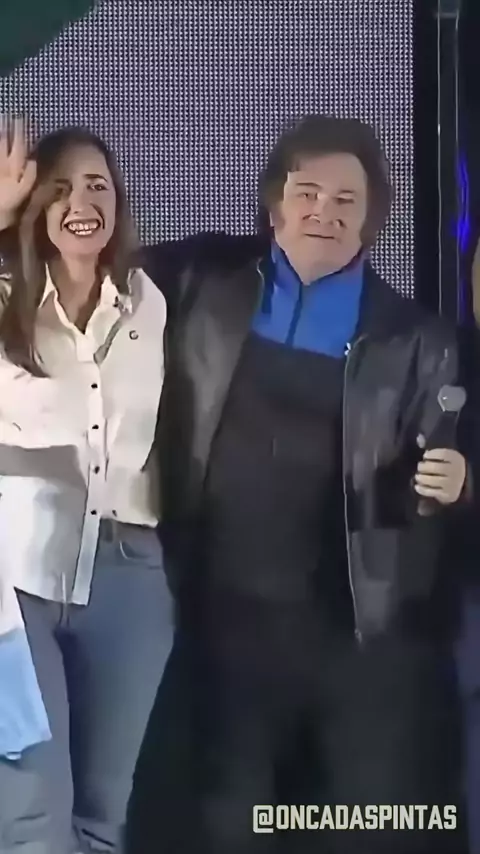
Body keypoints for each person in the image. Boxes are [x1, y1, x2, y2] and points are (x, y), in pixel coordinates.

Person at [125, 114, 471, 854]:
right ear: (273, 203)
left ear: (373, 219)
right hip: (216, 626)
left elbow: (449, 473)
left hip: (352, 641)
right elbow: (77, 268)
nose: (324, 212)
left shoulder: (417, 339)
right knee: (224, 826)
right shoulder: (197, 284)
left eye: (347, 200)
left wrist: (458, 484)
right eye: (306, 192)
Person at [0, 118, 173, 854]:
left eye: (97, 185)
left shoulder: (147, 301)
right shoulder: (4, 297)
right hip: (16, 584)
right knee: (31, 812)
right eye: (60, 188)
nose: (81, 202)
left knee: (107, 813)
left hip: (129, 575)